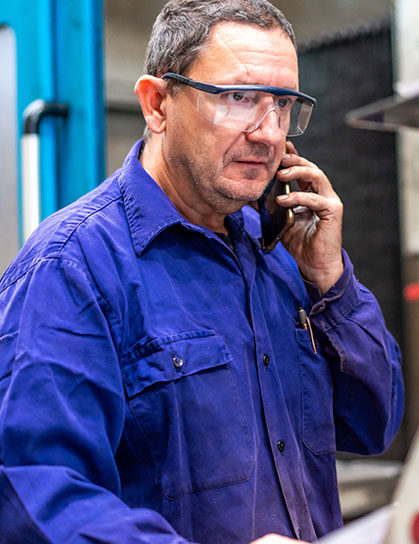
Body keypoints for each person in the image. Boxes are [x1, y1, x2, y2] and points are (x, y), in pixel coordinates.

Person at [0, 1, 404, 543]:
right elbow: (36, 495)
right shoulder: (73, 268)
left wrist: (333, 284)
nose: (268, 133)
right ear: (157, 105)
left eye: (283, 104)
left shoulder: (283, 249)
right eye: (238, 98)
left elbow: (375, 423)